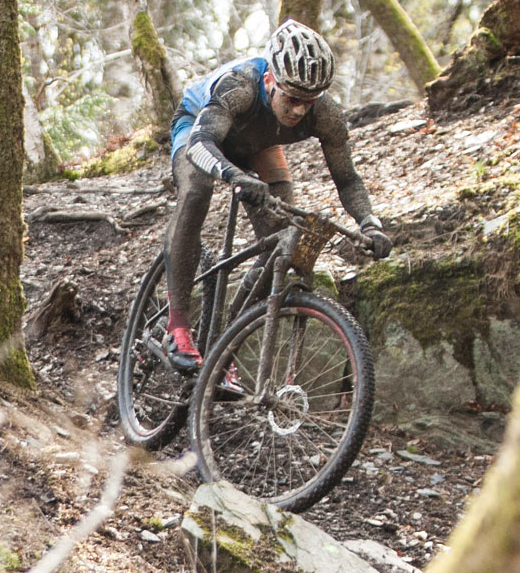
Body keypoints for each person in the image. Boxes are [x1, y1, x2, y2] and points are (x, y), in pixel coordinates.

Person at [161, 20, 392, 367]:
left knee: (283, 242)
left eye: (309, 101)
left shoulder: (325, 114)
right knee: (196, 191)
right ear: (270, 81)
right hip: (199, 130)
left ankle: (224, 344)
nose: (300, 110)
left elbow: (347, 178)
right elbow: (201, 143)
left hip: (259, 145)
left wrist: (369, 222)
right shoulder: (240, 86)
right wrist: (237, 176)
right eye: (293, 98)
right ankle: (177, 327)